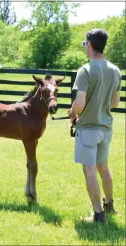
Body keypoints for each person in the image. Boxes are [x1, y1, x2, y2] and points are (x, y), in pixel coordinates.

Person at [68, 28, 120, 224]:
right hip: (106, 128)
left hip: (88, 128)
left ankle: (98, 215)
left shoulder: (85, 70)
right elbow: (115, 103)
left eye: (84, 44)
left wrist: (73, 113)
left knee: (89, 169)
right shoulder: (115, 70)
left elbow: (79, 104)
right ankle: (109, 205)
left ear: (89, 44)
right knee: (103, 166)